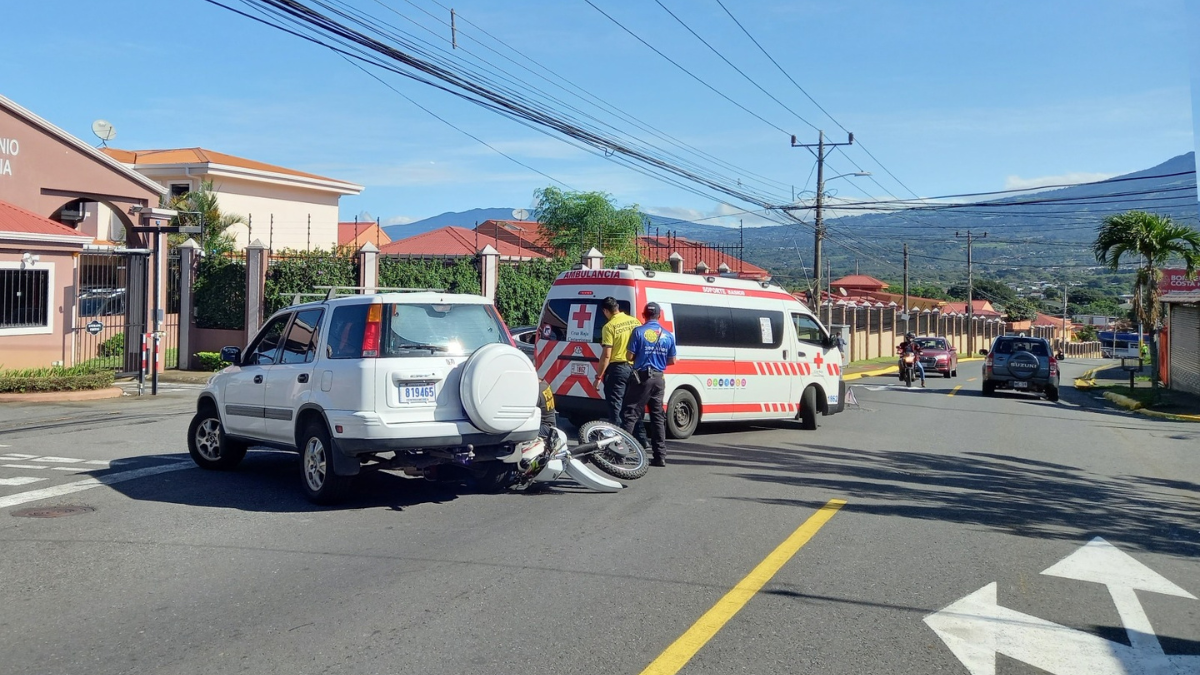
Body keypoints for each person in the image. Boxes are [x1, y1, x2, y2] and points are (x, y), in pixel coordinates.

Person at [621, 302, 677, 467]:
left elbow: (629, 356)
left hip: (642, 377)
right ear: (659, 316)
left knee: (630, 414)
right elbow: (672, 360)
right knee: (657, 416)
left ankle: (621, 453)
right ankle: (660, 456)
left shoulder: (638, 331)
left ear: (644, 315)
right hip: (659, 379)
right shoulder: (668, 335)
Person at [594, 297, 642, 427]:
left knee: (615, 406)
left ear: (605, 311)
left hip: (618, 370)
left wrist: (598, 377)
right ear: (617, 307)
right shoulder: (635, 322)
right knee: (632, 406)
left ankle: (617, 435)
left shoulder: (609, 327)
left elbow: (606, 355)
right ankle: (639, 436)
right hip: (635, 369)